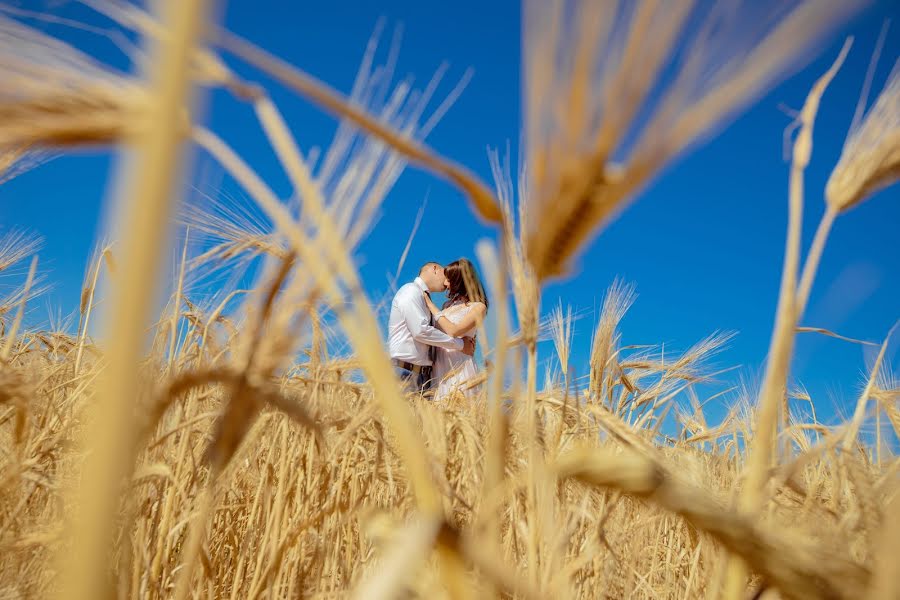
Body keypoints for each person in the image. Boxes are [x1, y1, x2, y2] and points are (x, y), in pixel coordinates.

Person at [388, 262, 476, 393]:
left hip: (424, 376)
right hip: (405, 371)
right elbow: (420, 331)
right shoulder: (411, 290)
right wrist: (460, 344)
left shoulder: (424, 299)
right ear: (435, 269)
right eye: (446, 276)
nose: (447, 284)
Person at [423, 258, 489, 403]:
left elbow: (454, 331)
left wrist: (430, 304)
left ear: (460, 280)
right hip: (440, 365)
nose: (445, 283)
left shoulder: (478, 307)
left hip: (459, 365)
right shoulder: (447, 305)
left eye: (449, 279)